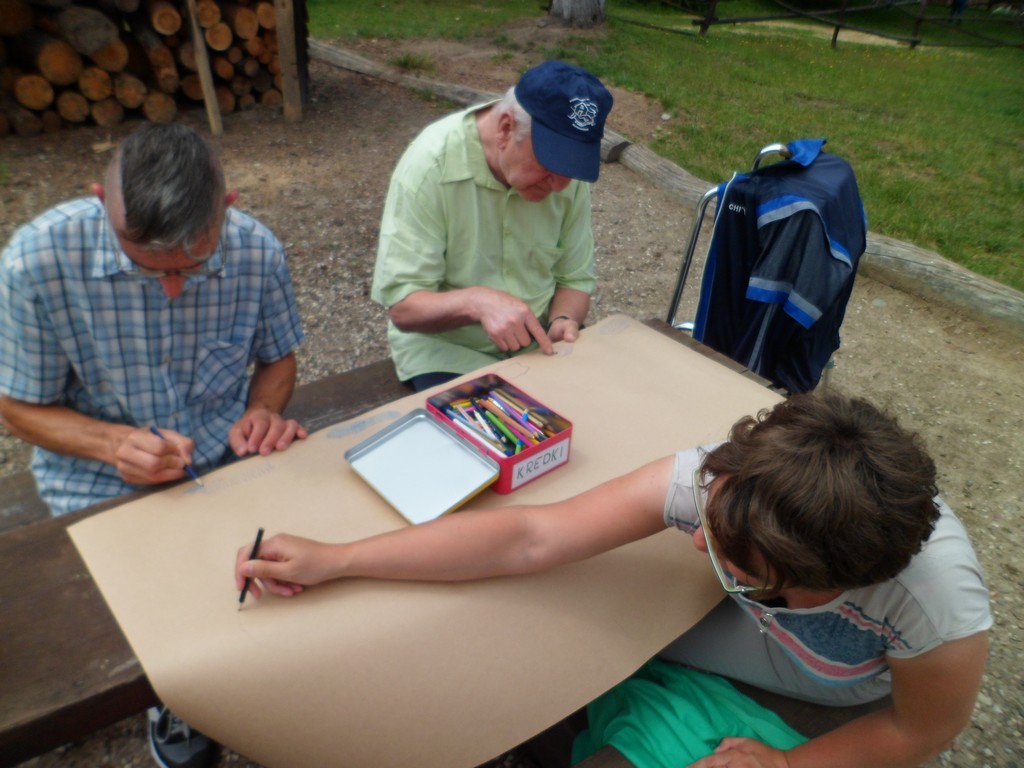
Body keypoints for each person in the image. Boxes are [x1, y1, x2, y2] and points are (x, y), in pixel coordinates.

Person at [235, 392, 991, 768]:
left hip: (827, 688)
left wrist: (790, 765)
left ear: (826, 583)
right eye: (707, 523)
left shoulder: (934, 603)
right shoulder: (724, 483)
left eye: (732, 562)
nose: (695, 540)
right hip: (750, 633)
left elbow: (922, 728)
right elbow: (532, 536)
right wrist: (340, 557)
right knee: (542, 618)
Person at [0, 121, 307, 768]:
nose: (171, 287)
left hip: (227, 457)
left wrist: (261, 410)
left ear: (228, 206)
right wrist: (113, 443)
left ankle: (263, 676)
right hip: (95, 475)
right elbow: (17, 407)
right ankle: (179, 697)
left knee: (288, 565)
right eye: (142, 264)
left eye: (194, 265)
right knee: (162, 597)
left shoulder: (257, 251)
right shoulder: (37, 261)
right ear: (99, 201)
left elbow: (278, 361)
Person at [370, 60, 613, 391]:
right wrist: (477, 303)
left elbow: (575, 279)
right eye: (550, 163)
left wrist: (563, 319)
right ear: (505, 129)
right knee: (494, 427)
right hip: (451, 353)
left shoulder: (564, 178)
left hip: (539, 346)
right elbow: (403, 306)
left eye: (570, 167)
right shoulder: (430, 164)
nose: (559, 185)